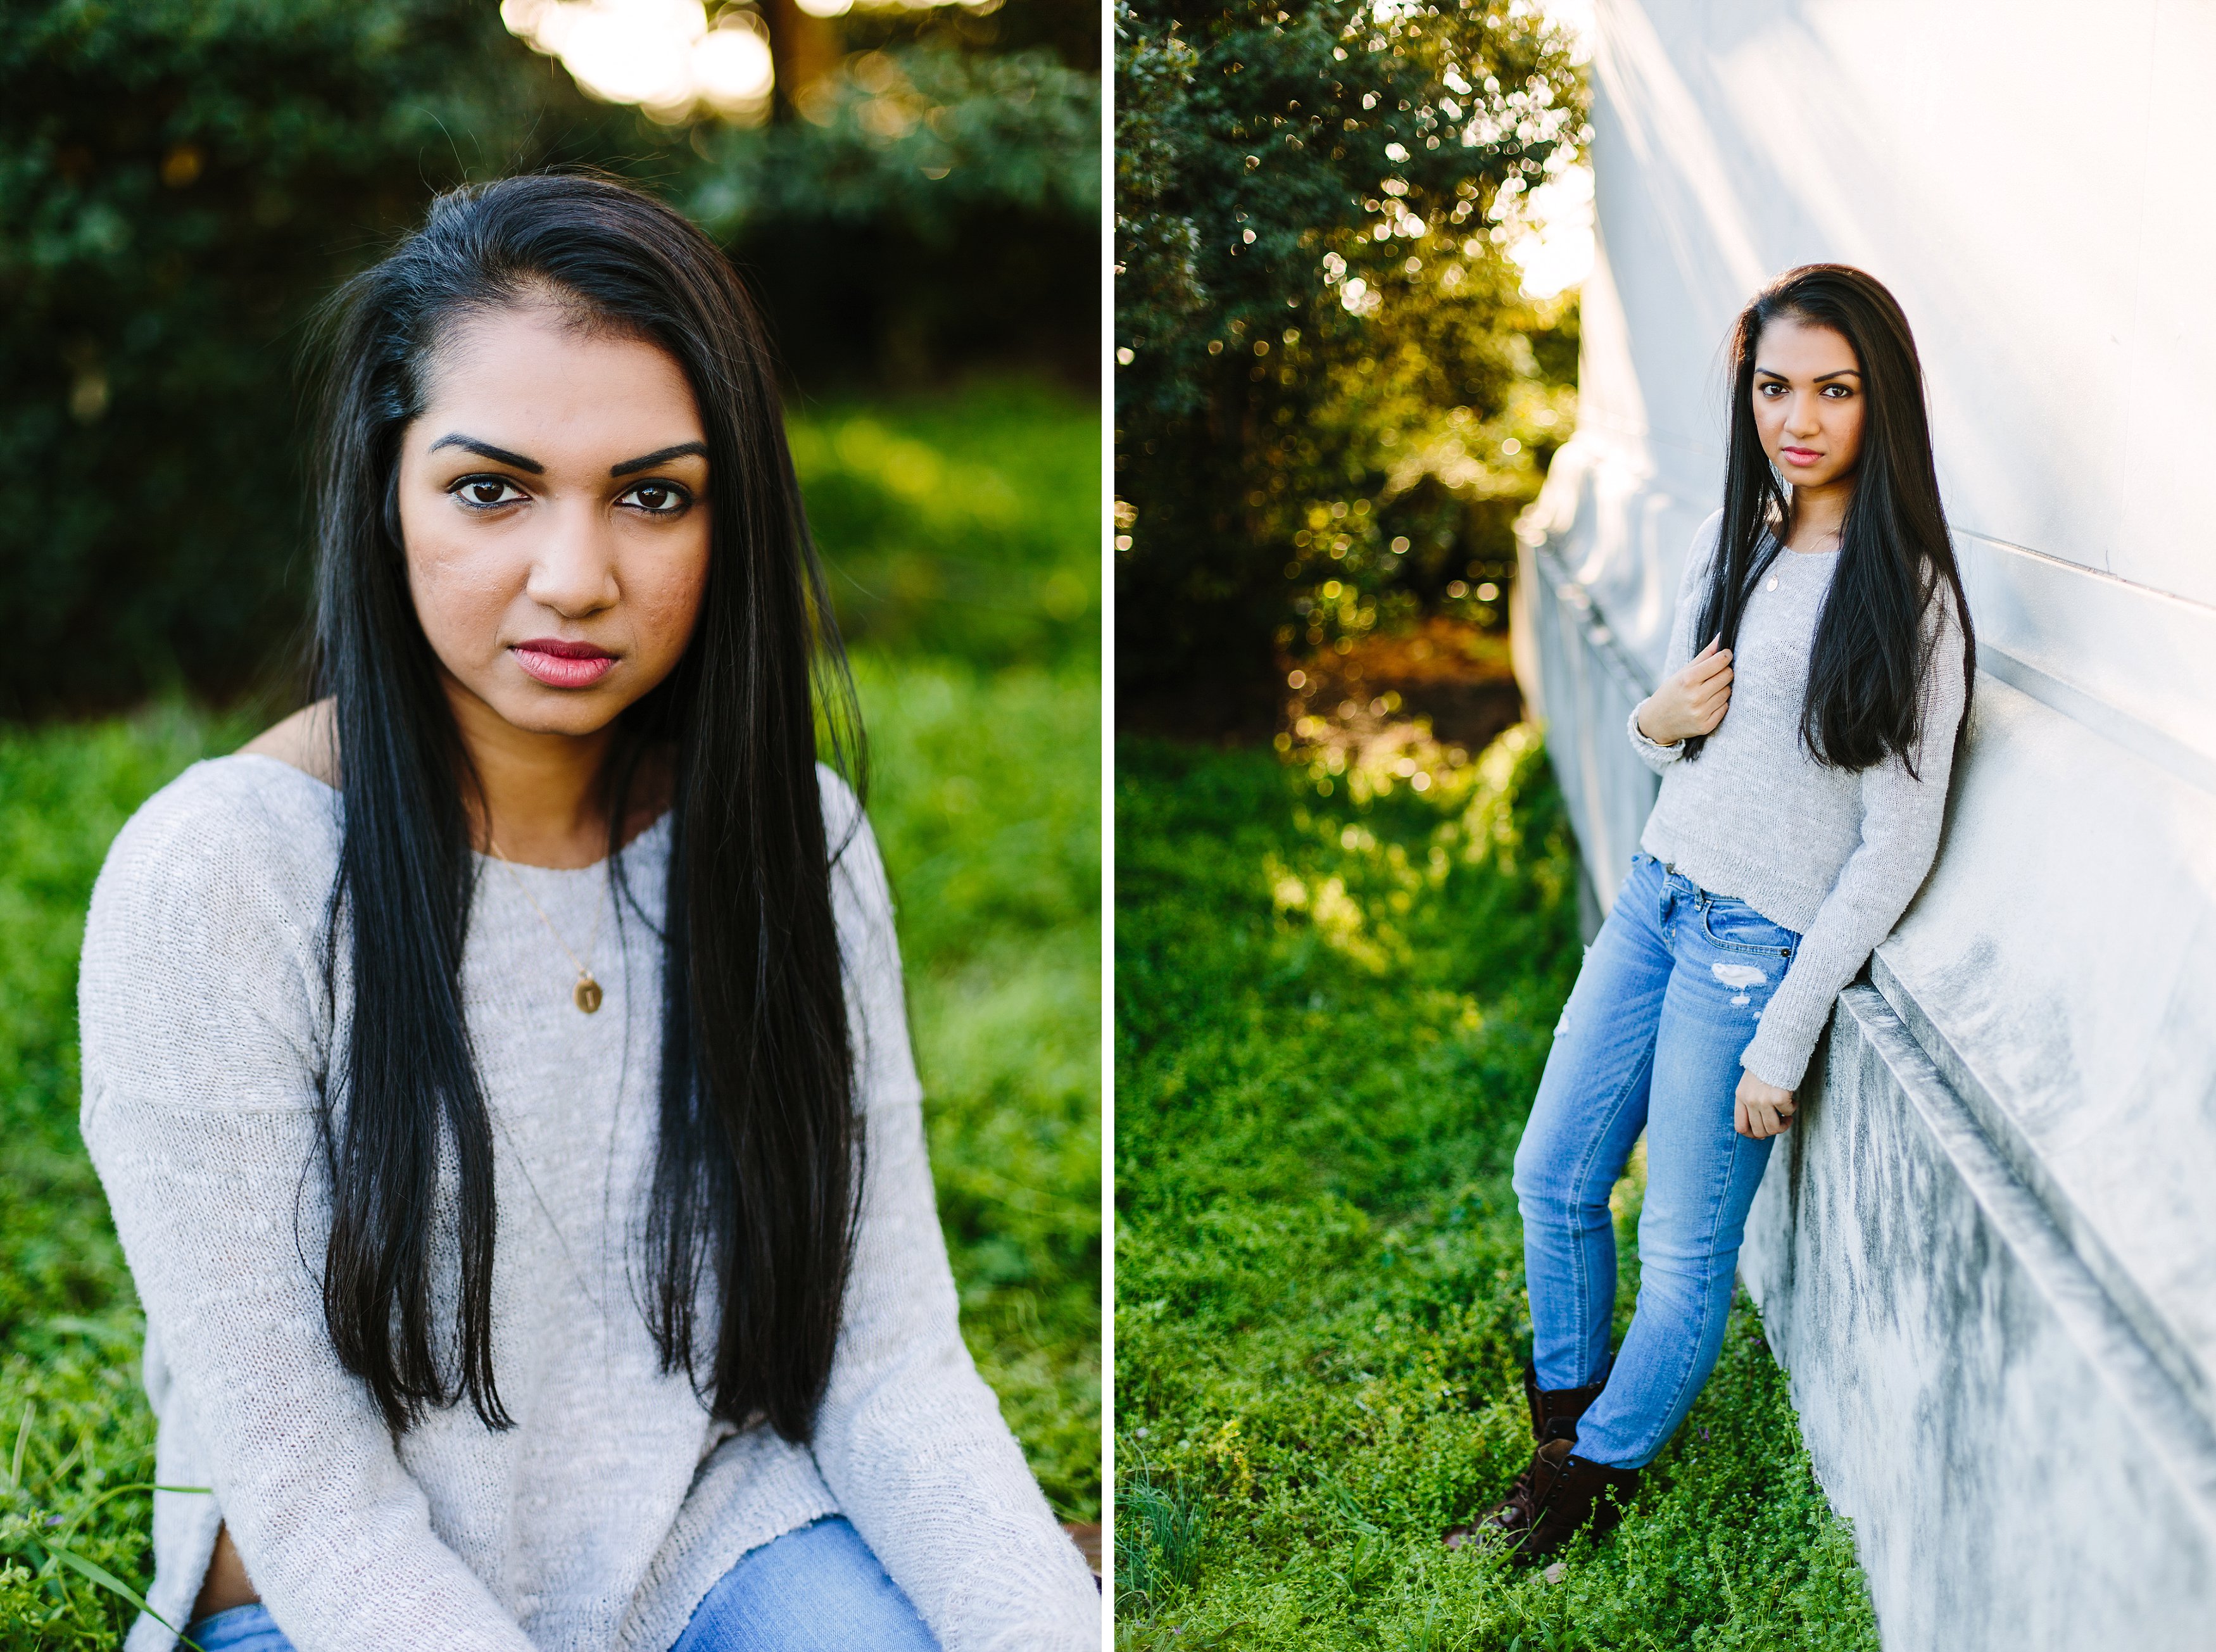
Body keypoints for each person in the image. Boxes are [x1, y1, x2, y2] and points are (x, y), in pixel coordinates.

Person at [78, 174, 1099, 1652]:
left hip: (721, 1546)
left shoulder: (793, 839)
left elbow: (885, 1370)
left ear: (723, 514)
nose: (575, 579)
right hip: (336, 1607)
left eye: (652, 494)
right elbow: (311, 1492)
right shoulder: (221, 875)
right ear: (386, 491)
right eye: (490, 490)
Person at [1445, 264, 1975, 1561]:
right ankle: (1561, 1432)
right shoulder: (1728, 545)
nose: (1798, 418)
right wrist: (1648, 719)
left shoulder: (1910, 600)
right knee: (1552, 1175)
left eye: (1834, 390)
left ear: (1880, 402)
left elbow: (1889, 849)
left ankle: (1579, 1494)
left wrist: (1784, 1035)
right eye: (1775, 387)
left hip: (1751, 955)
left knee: (1686, 1248)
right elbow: (1687, 746)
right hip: (1651, 901)